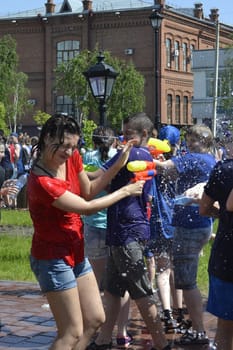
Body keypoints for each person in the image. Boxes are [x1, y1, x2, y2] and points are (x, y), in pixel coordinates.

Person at [27, 113, 145, 350]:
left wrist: (119, 163)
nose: (69, 152)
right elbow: (88, 208)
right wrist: (125, 191)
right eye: (63, 146)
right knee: (70, 332)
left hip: (76, 249)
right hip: (52, 258)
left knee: (95, 319)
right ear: (47, 137)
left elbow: (89, 190)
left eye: (73, 146)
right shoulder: (42, 181)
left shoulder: (71, 158)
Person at [87, 112, 171, 350]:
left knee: (141, 290)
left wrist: (69, 171)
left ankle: (162, 344)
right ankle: (104, 339)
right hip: (125, 230)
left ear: (144, 134)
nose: (124, 138)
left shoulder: (131, 154)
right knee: (113, 289)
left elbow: (97, 176)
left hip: (126, 232)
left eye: (129, 134)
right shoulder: (144, 154)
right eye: (123, 134)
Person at [154, 124, 216, 346]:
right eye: (188, 140)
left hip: (191, 227)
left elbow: (164, 167)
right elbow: (173, 173)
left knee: (188, 283)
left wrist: (143, 155)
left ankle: (199, 333)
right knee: (185, 280)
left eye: (194, 140)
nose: (189, 144)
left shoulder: (197, 158)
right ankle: (197, 328)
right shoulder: (209, 160)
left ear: (205, 143)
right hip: (199, 224)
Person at [83, 126, 132, 348]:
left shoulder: (87, 156)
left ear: (94, 142)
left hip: (93, 223)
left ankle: (94, 328)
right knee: (119, 283)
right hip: (115, 224)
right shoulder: (119, 157)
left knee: (95, 284)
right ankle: (120, 331)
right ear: (113, 141)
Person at [146, 125, 183, 333]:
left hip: (159, 222)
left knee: (162, 269)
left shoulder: (154, 166)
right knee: (175, 268)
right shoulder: (180, 165)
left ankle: (167, 313)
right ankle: (178, 312)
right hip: (178, 222)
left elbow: (149, 197)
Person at [199, 139, 233, 350]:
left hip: (226, 256)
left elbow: (204, 209)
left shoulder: (223, 170)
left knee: (225, 325)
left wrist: (221, 214)